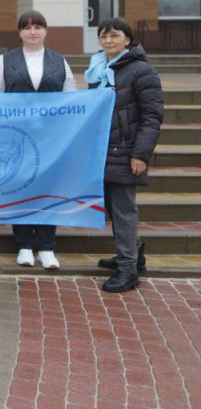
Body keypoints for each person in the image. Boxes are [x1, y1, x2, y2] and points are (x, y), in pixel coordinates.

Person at [0, 10, 78, 270]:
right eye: (27, 27)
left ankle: (46, 246)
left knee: (47, 189)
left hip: (50, 138)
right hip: (16, 137)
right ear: (20, 32)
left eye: (38, 27)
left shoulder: (59, 60)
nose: (32, 32)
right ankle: (23, 245)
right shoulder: (6, 60)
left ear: (45, 30)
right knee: (20, 188)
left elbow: (71, 97)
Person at [87, 18, 163, 294]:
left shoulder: (141, 71)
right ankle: (132, 254)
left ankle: (128, 270)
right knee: (112, 207)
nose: (108, 40)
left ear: (128, 40)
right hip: (103, 149)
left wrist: (141, 154)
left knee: (123, 209)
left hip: (125, 150)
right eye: (103, 36)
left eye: (114, 35)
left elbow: (152, 117)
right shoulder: (99, 69)